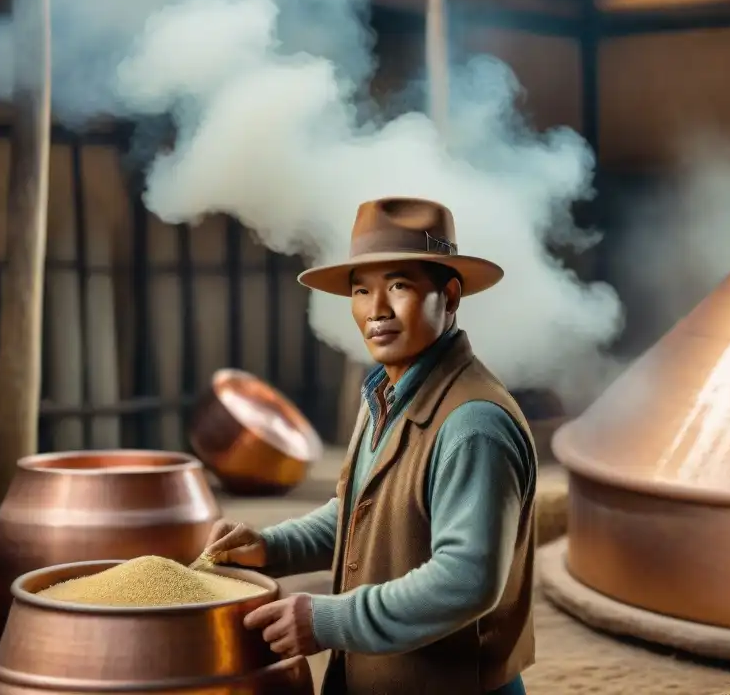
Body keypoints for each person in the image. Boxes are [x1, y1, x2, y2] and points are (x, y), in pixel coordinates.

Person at [202, 197, 538, 695]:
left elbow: (465, 580)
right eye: (361, 291)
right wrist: (272, 546)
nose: (375, 311)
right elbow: (364, 512)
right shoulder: (387, 391)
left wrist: (325, 621)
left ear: (449, 296)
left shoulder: (473, 425)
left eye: (399, 286)